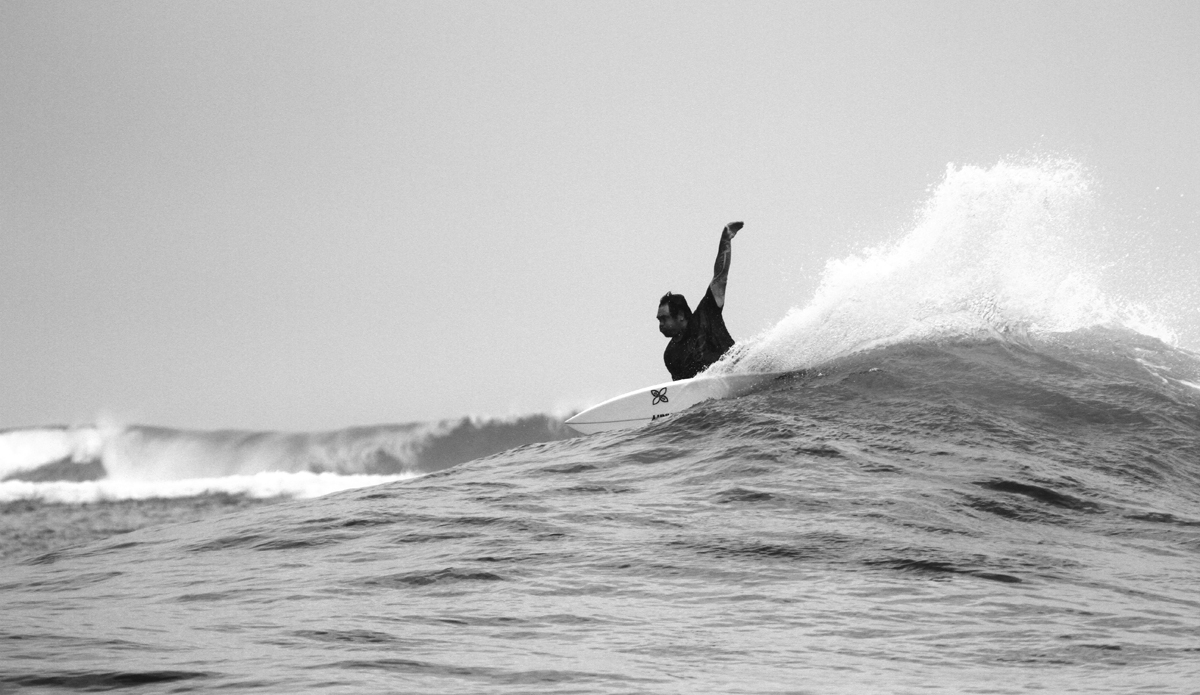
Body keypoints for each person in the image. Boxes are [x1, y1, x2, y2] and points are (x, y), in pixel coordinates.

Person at [657, 221, 743, 380]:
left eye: (664, 318)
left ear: (680, 315)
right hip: (720, 396)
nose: (660, 324)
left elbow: (720, 277)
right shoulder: (670, 355)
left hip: (741, 368)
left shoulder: (706, 312)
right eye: (659, 320)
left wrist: (725, 240)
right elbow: (681, 391)